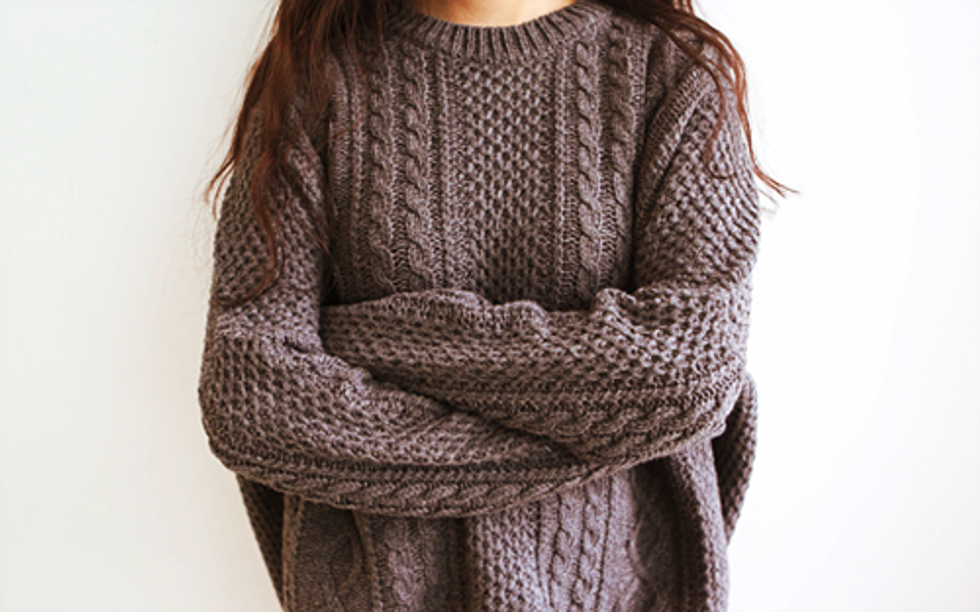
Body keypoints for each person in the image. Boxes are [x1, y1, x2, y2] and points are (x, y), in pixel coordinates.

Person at [198, 0, 786, 609]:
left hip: (615, 591)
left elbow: (691, 371)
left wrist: (364, 340)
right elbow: (249, 399)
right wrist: (606, 428)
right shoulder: (317, 78)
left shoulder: (675, 71)